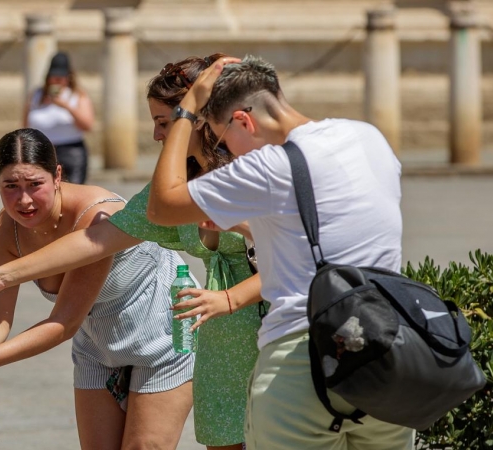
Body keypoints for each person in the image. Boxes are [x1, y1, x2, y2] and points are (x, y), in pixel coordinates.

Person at [0, 55, 264, 450]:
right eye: (9, 186)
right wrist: (3, 276)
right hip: (215, 341)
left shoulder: (255, 170)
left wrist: (229, 294)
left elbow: (299, 256)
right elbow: (95, 241)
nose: (155, 136)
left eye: (163, 123)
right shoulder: (169, 198)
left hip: (244, 328)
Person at [146, 55, 415, 449]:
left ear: (244, 121)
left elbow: (162, 206)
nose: (229, 154)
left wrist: (186, 111)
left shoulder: (267, 167)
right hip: (387, 351)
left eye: (221, 139)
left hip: (302, 358)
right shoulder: (367, 137)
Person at [0, 128, 195, 450]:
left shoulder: (95, 215)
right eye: (10, 187)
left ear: (57, 175)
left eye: (34, 185)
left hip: (163, 336)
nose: (23, 200)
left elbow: (63, 323)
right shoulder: (7, 229)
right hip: (97, 345)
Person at [24, 52, 95, 184]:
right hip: (42, 150)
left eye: (61, 77)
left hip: (71, 152)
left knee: (73, 193)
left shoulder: (77, 95)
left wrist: (66, 106)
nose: (57, 80)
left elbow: (88, 125)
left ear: (68, 77)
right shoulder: (36, 95)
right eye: (53, 76)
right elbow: (25, 125)